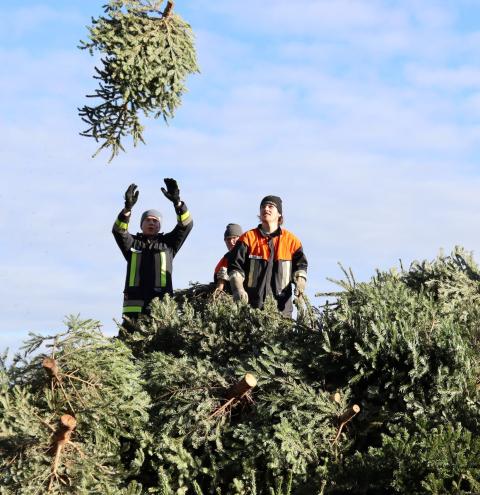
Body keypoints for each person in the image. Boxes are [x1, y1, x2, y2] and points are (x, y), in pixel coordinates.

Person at [112, 178, 193, 321]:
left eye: (155, 221)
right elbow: (119, 230)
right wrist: (127, 209)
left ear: (159, 226)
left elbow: (186, 225)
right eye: (148, 220)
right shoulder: (132, 244)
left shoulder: (168, 244)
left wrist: (177, 203)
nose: (151, 223)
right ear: (141, 224)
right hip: (134, 306)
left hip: (161, 305)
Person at [228, 195, 307, 316]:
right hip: (251, 311)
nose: (266, 209)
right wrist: (238, 289)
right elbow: (235, 268)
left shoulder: (292, 241)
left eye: (271, 206)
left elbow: (301, 268)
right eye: (263, 206)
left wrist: (300, 285)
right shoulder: (248, 238)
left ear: (279, 213)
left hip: (282, 313)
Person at [213, 223, 243, 292]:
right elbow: (217, 281)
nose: (231, 242)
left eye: (234, 238)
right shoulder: (225, 260)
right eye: (228, 239)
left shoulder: (250, 255)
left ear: (241, 238)